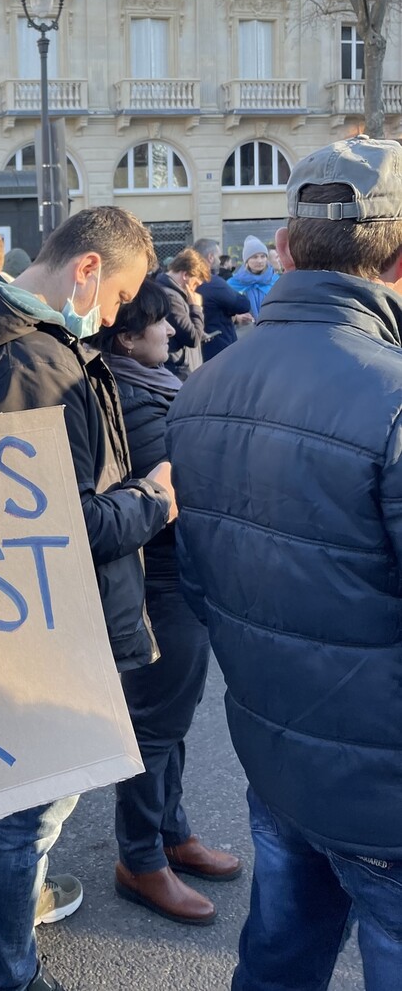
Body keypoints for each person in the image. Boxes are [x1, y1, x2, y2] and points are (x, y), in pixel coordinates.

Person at [0, 206, 176, 991]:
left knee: (19, 802)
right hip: (44, 613)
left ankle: (9, 939)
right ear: (88, 268)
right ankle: (9, 972)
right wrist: (152, 504)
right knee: (27, 812)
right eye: (121, 295)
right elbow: (60, 521)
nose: (121, 314)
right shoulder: (34, 360)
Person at [168, 135, 402, 989]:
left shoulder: (201, 387)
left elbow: (201, 580)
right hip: (384, 796)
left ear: (291, 249)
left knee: (278, 954)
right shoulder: (393, 396)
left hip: (275, 750)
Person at [95, 280, 241, 927]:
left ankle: (171, 834)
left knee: (172, 717)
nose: (171, 334)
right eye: (157, 325)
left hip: (171, 577)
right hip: (159, 581)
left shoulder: (147, 384)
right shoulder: (135, 399)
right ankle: (140, 858)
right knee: (154, 724)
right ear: (127, 336)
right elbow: (185, 490)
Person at [192, 239, 252, 362]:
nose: (220, 261)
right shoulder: (212, 282)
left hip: (196, 353)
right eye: (218, 257)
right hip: (219, 349)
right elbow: (243, 304)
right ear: (210, 257)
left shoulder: (187, 280)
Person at [154, 248, 209, 381]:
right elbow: (192, 338)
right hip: (179, 370)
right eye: (195, 283)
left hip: (181, 367)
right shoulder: (172, 297)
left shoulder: (172, 293)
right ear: (185, 275)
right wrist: (196, 307)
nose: (195, 289)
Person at [227, 236, 279, 320]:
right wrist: (236, 318)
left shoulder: (276, 281)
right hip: (244, 331)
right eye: (255, 257)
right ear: (246, 261)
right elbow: (223, 309)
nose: (259, 261)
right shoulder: (233, 284)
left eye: (263, 256)